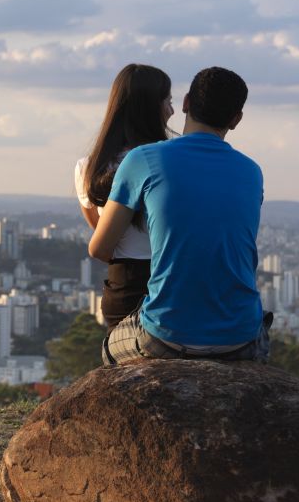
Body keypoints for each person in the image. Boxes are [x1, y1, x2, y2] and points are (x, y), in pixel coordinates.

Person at [89, 66, 269, 365]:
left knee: (109, 349)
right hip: (242, 339)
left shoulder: (142, 159)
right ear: (236, 120)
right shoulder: (251, 171)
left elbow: (100, 248)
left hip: (165, 337)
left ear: (185, 103)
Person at [74, 63, 174, 329]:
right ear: (149, 108)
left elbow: (103, 239)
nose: (172, 111)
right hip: (171, 287)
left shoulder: (89, 168)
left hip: (122, 291)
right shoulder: (173, 163)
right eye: (167, 101)